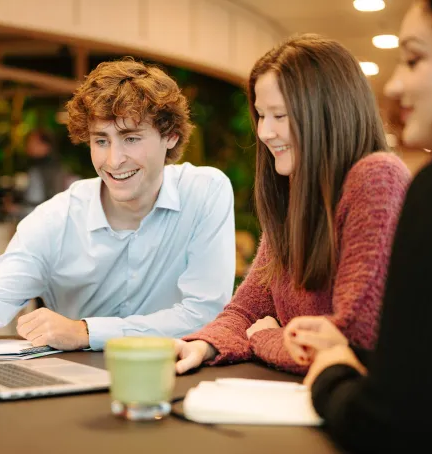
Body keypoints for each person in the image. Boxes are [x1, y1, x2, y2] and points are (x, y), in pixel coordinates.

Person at [0, 59, 236, 351]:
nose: (114, 160)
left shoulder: (204, 192)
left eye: (131, 138)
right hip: (74, 399)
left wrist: (85, 331)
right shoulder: (54, 219)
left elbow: (204, 314)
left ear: (170, 136)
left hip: (175, 381)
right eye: (101, 140)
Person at [175, 34, 411, 376]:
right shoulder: (296, 195)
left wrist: (267, 338)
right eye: (260, 115)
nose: (265, 132)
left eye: (280, 115)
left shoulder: (377, 178)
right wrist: (202, 344)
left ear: (328, 113)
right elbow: (245, 311)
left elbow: (350, 343)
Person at [283, 1, 432, 452]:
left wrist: (333, 369)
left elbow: (394, 421)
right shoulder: (291, 197)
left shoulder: (413, 182)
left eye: (415, 59)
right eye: (262, 115)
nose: (396, 83)